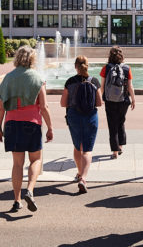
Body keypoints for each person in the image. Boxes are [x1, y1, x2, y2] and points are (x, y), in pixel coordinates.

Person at [0, 45, 53, 212]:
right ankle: (30, 190)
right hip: (32, 123)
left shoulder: (8, 78)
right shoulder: (37, 78)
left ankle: (16, 199)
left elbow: (1, 107)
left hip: (12, 123)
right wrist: (50, 127)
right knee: (35, 159)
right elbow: (44, 107)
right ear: (33, 59)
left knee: (17, 164)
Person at [60, 55, 102, 193]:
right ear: (87, 66)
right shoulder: (94, 81)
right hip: (90, 116)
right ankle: (83, 178)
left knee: (78, 146)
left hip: (74, 116)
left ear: (75, 66)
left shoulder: (70, 81)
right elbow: (99, 103)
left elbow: (62, 103)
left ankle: (79, 173)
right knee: (88, 149)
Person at [100, 46, 136, 159]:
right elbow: (130, 86)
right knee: (121, 122)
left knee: (112, 125)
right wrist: (133, 99)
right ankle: (120, 146)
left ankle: (115, 151)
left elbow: (102, 86)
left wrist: (101, 98)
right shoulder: (127, 68)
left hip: (110, 100)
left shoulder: (105, 68)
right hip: (124, 100)